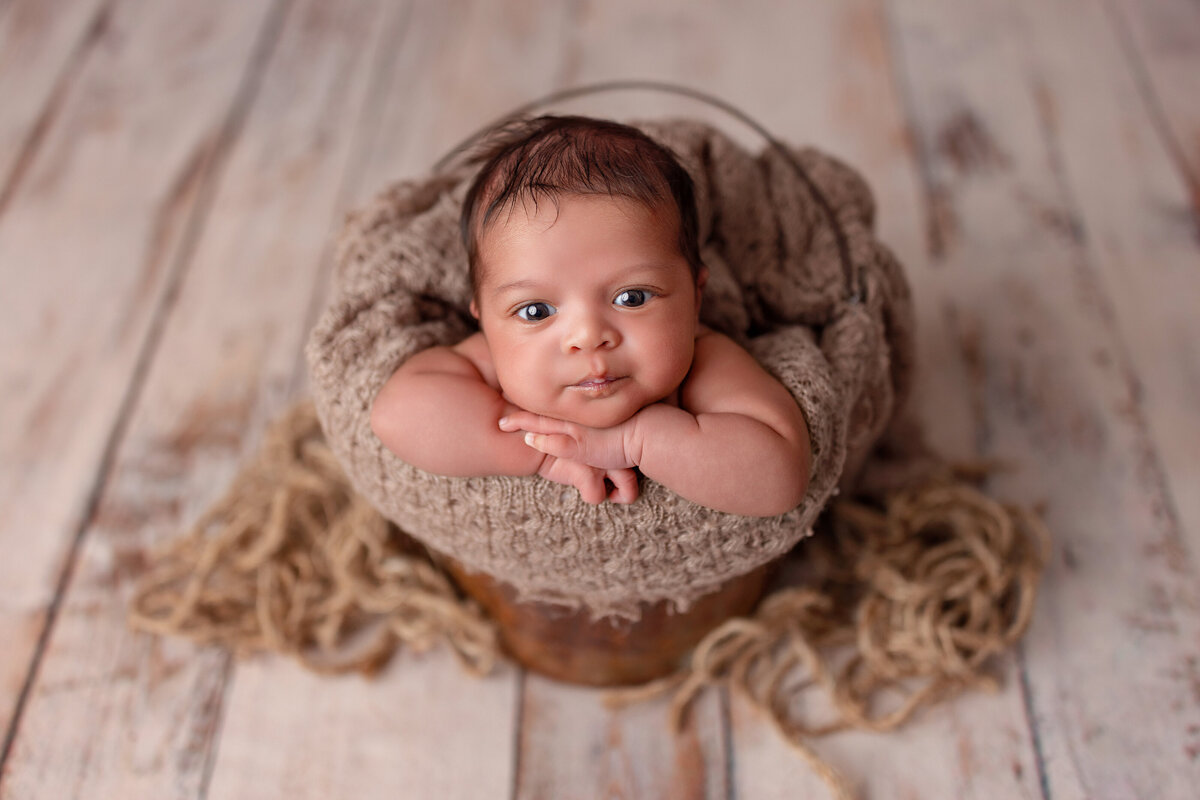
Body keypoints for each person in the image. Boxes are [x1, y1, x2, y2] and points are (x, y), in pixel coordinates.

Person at [370, 115, 811, 517]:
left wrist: (634, 440)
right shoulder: (494, 360)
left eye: (632, 297)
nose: (587, 336)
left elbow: (778, 479)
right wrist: (545, 451)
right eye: (536, 310)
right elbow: (398, 412)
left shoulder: (703, 359)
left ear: (695, 297)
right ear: (484, 320)